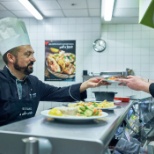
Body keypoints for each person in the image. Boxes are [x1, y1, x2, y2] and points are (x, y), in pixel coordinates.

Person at [0, 17, 108, 126]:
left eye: (33, 54)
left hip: (25, 138)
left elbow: (58, 92)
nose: (34, 59)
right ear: (11, 58)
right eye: (28, 54)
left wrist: (86, 84)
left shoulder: (33, 82)